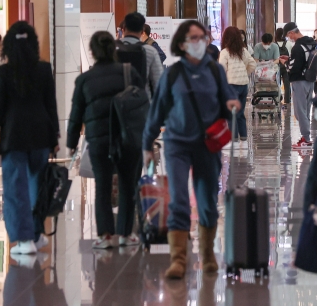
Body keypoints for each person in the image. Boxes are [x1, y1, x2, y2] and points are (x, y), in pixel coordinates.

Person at [142, 20, 240, 279]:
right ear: (182, 44)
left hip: (207, 145)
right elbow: (158, 109)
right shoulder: (173, 74)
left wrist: (231, 101)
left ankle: (207, 255)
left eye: (202, 37)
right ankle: (178, 260)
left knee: (207, 200)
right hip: (177, 144)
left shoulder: (214, 70)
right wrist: (147, 144)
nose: (200, 42)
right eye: (194, 38)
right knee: (179, 199)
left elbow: (227, 94)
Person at [67, 31, 145, 249]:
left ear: (92, 52)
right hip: (127, 137)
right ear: (114, 49)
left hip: (98, 140)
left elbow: (76, 113)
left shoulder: (84, 79)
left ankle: (105, 236)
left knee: (101, 186)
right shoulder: (129, 72)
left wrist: (71, 142)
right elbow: (141, 104)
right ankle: (125, 234)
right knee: (127, 184)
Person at [0, 22, 59, 255]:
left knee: (15, 189)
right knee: (37, 188)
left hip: (14, 137)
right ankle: (37, 234)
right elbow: (51, 106)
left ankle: (23, 240)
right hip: (41, 136)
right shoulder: (43, 70)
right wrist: (55, 137)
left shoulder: (2, 73)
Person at [279, 22, 317, 149]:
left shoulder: (297, 47)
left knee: (299, 112)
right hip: (310, 80)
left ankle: (306, 139)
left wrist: (285, 62)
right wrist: (290, 59)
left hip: (299, 82)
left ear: (291, 33)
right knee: (305, 111)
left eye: (288, 36)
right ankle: (306, 137)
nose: (289, 38)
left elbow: (294, 68)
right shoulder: (311, 43)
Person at [219, 26, 256, 147]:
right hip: (243, 84)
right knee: (240, 113)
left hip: (231, 86)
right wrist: (245, 72)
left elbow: (222, 69)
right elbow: (252, 64)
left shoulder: (225, 52)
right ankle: (244, 139)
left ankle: (234, 139)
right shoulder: (243, 51)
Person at [118, 12, 163, 99]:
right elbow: (159, 84)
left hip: (115, 106)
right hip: (142, 104)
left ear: (123, 29)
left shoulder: (112, 49)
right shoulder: (150, 51)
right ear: (142, 31)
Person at [275, 28, 292, 104]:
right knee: (287, 84)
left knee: (277, 84)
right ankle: (287, 100)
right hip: (286, 66)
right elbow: (291, 55)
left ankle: (277, 99)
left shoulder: (274, 44)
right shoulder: (288, 43)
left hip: (277, 67)